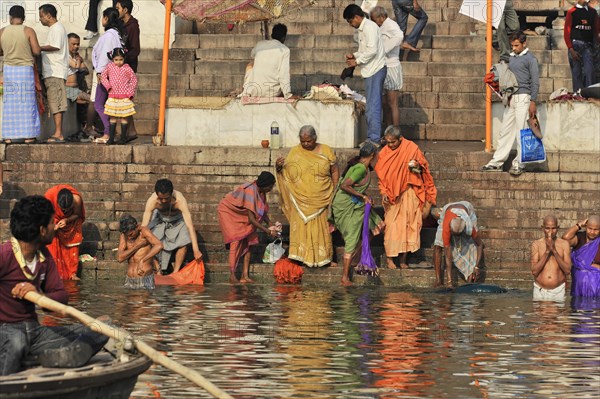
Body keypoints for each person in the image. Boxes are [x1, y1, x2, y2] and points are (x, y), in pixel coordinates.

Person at [0, 195, 107, 376]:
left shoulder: (44, 257)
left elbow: (61, 296)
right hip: (6, 331)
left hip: (35, 332)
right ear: (42, 230)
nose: (54, 227)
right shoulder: (5, 254)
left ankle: (57, 357)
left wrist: (40, 297)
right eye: (51, 223)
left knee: (104, 327)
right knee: (17, 343)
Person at [275, 125, 340, 267]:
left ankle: (324, 258)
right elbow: (287, 173)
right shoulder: (295, 152)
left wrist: (335, 190)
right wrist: (279, 167)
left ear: (315, 138)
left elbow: (335, 171)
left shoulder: (326, 150)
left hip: (322, 197)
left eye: (308, 141)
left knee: (322, 229)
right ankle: (300, 257)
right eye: (302, 141)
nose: (305, 144)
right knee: (300, 228)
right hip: (300, 198)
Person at [374, 125, 436, 269]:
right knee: (392, 227)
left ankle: (403, 260)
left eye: (393, 142)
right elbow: (381, 177)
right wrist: (383, 192)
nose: (390, 145)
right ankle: (390, 259)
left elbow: (422, 170)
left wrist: (415, 166)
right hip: (391, 196)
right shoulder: (384, 153)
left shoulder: (411, 148)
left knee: (409, 226)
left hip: (409, 192)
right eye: (388, 142)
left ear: (400, 139)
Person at [481, 31, 539, 177]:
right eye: (512, 45)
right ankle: (497, 162)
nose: (514, 48)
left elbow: (535, 82)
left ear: (524, 44)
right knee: (505, 130)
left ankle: (520, 163)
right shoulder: (511, 58)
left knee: (522, 132)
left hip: (524, 98)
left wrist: (533, 101)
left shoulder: (531, 59)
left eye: (516, 45)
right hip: (511, 98)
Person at [330, 142, 384, 286]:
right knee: (352, 239)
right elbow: (344, 185)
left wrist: (364, 196)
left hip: (355, 203)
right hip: (346, 205)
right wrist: (363, 197)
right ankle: (345, 278)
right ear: (372, 155)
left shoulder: (362, 167)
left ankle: (356, 257)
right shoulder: (360, 168)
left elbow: (354, 187)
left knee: (378, 225)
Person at [217, 172, 280, 284]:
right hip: (228, 212)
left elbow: (262, 212)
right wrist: (268, 231)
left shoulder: (261, 193)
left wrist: (271, 225)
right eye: (270, 186)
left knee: (250, 242)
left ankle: (244, 276)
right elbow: (252, 219)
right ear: (264, 185)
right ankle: (232, 275)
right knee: (235, 241)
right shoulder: (251, 191)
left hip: (243, 215)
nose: (271, 189)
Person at [344, 4, 387, 147]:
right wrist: (354, 55)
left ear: (357, 17)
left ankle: (374, 140)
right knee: (371, 106)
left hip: (375, 70)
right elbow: (365, 50)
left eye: (351, 21)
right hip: (370, 71)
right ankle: (372, 138)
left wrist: (356, 61)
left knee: (373, 106)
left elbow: (372, 51)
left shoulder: (369, 27)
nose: (351, 25)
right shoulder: (364, 28)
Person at [141, 179, 203, 273]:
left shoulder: (179, 200)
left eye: (167, 198)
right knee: (147, 237)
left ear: (171, 193)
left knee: (185, 240)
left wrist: (196, 250)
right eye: (161, 198)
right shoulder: (152, 201)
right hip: (160, 219)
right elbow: (144, 226)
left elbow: (190, 225)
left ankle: (175, 272)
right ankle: (157, 269)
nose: (164, 201)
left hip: (178, 220)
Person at [0, 6, 41, 144]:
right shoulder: (28, 30)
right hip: (24, 70)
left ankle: (8, 137)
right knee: (27, 102)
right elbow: (36, 51)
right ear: (23, 17)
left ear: (10, 17)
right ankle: (29, 135)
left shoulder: (2, 31)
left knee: (10, 103)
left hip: (9, 70)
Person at [91, 8, 124, 145]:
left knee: (99, 104)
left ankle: (107, 132)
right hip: (113, 74)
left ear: (106, 18)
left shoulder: (109, 36)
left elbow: (105, 55)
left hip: (106, 74)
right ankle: (110, 132)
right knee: (108, 105)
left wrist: (100, 73)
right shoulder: (116, 34)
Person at [432, 201, 484, 288]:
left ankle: (470, 273)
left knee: (471, 243)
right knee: (438, 245)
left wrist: (476, 267)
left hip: (467, 207)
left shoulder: (469, 226)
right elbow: (448, 256)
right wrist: (449, 282)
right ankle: (438, 280)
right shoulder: (446, 227)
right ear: (450, 229)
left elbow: (480, 245)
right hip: (447, 209)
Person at [38, 4, 69, 143]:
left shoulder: (57, 28)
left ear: (48, 15)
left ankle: (58, 133)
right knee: (54, 102)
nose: (40, 19)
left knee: (56, 102)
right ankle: (57, 132)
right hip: (52, 71)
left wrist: (37, 47)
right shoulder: (55, 28)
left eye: (41, 16)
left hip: (55, 71)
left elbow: (55, 46)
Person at [370, 6, 404, 127]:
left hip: (392, 67)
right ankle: (388, 131)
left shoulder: (391, 25)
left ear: (382, 17)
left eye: (374, 19)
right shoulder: (381, 27)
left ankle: (396, 133)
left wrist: (384, 49)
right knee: (385, 103)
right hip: (382, 66)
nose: (374, 22)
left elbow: (399, 36)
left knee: (392, 103)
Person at [44, 185, 85, 280]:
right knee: (52, 239)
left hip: (71, 222)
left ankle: (72, 273)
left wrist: (67, 220)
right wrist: (52, 226)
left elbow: (77, 214)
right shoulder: (49, 196)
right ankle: (54, 272)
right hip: (53, 220)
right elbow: (43, 216)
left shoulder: (77, 199)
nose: (65, 211)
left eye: (68, 208)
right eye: (63, 209)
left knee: (75, 232)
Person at [241, 23, 293, 99]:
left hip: (255, 91)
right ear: (284, 37)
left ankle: (246, 92)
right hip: (272, 93)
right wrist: (288, 94)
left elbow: (252, 55)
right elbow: (284, 74)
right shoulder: (285, 50)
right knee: (287, 72)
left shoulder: (259, 44)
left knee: (250, 65)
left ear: (272, 34)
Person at [99, 48, 137, 145]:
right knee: (113, 117)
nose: (118, 62)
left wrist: (130, 92)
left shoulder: (127, 68)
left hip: (125, 97)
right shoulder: (109, 67)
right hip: (112, 96)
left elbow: (133, 80)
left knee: (124, 117)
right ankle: (111, 138)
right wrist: (108, 87)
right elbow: (103, 77)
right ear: (112, 59)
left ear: (124, 59)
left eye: (121, 59)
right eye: (116, 60)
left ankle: (123, 138)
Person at [530, 215, 572, 301]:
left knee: (559, 313)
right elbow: (534, 271)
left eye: (553, 228)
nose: (550, 232)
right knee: (539, 314)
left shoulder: (564, 244)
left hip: (558, 290)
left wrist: (554, 251)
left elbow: (567, 270)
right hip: (540, 290)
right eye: (547, 228)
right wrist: (547, 251)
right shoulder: (536, 244)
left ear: (558, 228)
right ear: (542, 228)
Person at [115, 0, 140, 139]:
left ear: (125, 10)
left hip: (128, 68)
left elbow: (136, 49)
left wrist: (123, 60)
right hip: (121, 67)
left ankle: (130, 131)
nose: (116, 10)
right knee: (123, 100)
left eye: (118, 8)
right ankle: (130, 130)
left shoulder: (133, 26)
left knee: (125, 100)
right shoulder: (121, 25)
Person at [117, 215, 163, 289]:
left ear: (137, 227)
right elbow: (120, 258)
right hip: (129, 280)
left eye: (131, 234)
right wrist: (137, 246)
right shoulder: (124, 235)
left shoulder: (144, 232)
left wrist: (143, 260)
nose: (129, 237)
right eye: (127, 235)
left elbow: (159, 245)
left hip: (144, 279)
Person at [564, 0, 600, 92]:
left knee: (590, 71)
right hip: (575, 45)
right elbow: (567, 31)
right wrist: (571, 49)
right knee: (576, 73)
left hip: (588, 45)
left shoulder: (593, 12)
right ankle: (578, 94)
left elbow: (596, 31)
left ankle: (590, 93)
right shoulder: (572, 12)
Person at [562, 215, 600, 297]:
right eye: (590, 228)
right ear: (586, 227)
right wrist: (579, 225)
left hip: (597, 289)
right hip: (578, 288)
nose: (592, 232)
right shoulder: (580, 238)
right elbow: (565, 239)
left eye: (596, 230)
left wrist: (594, 267)